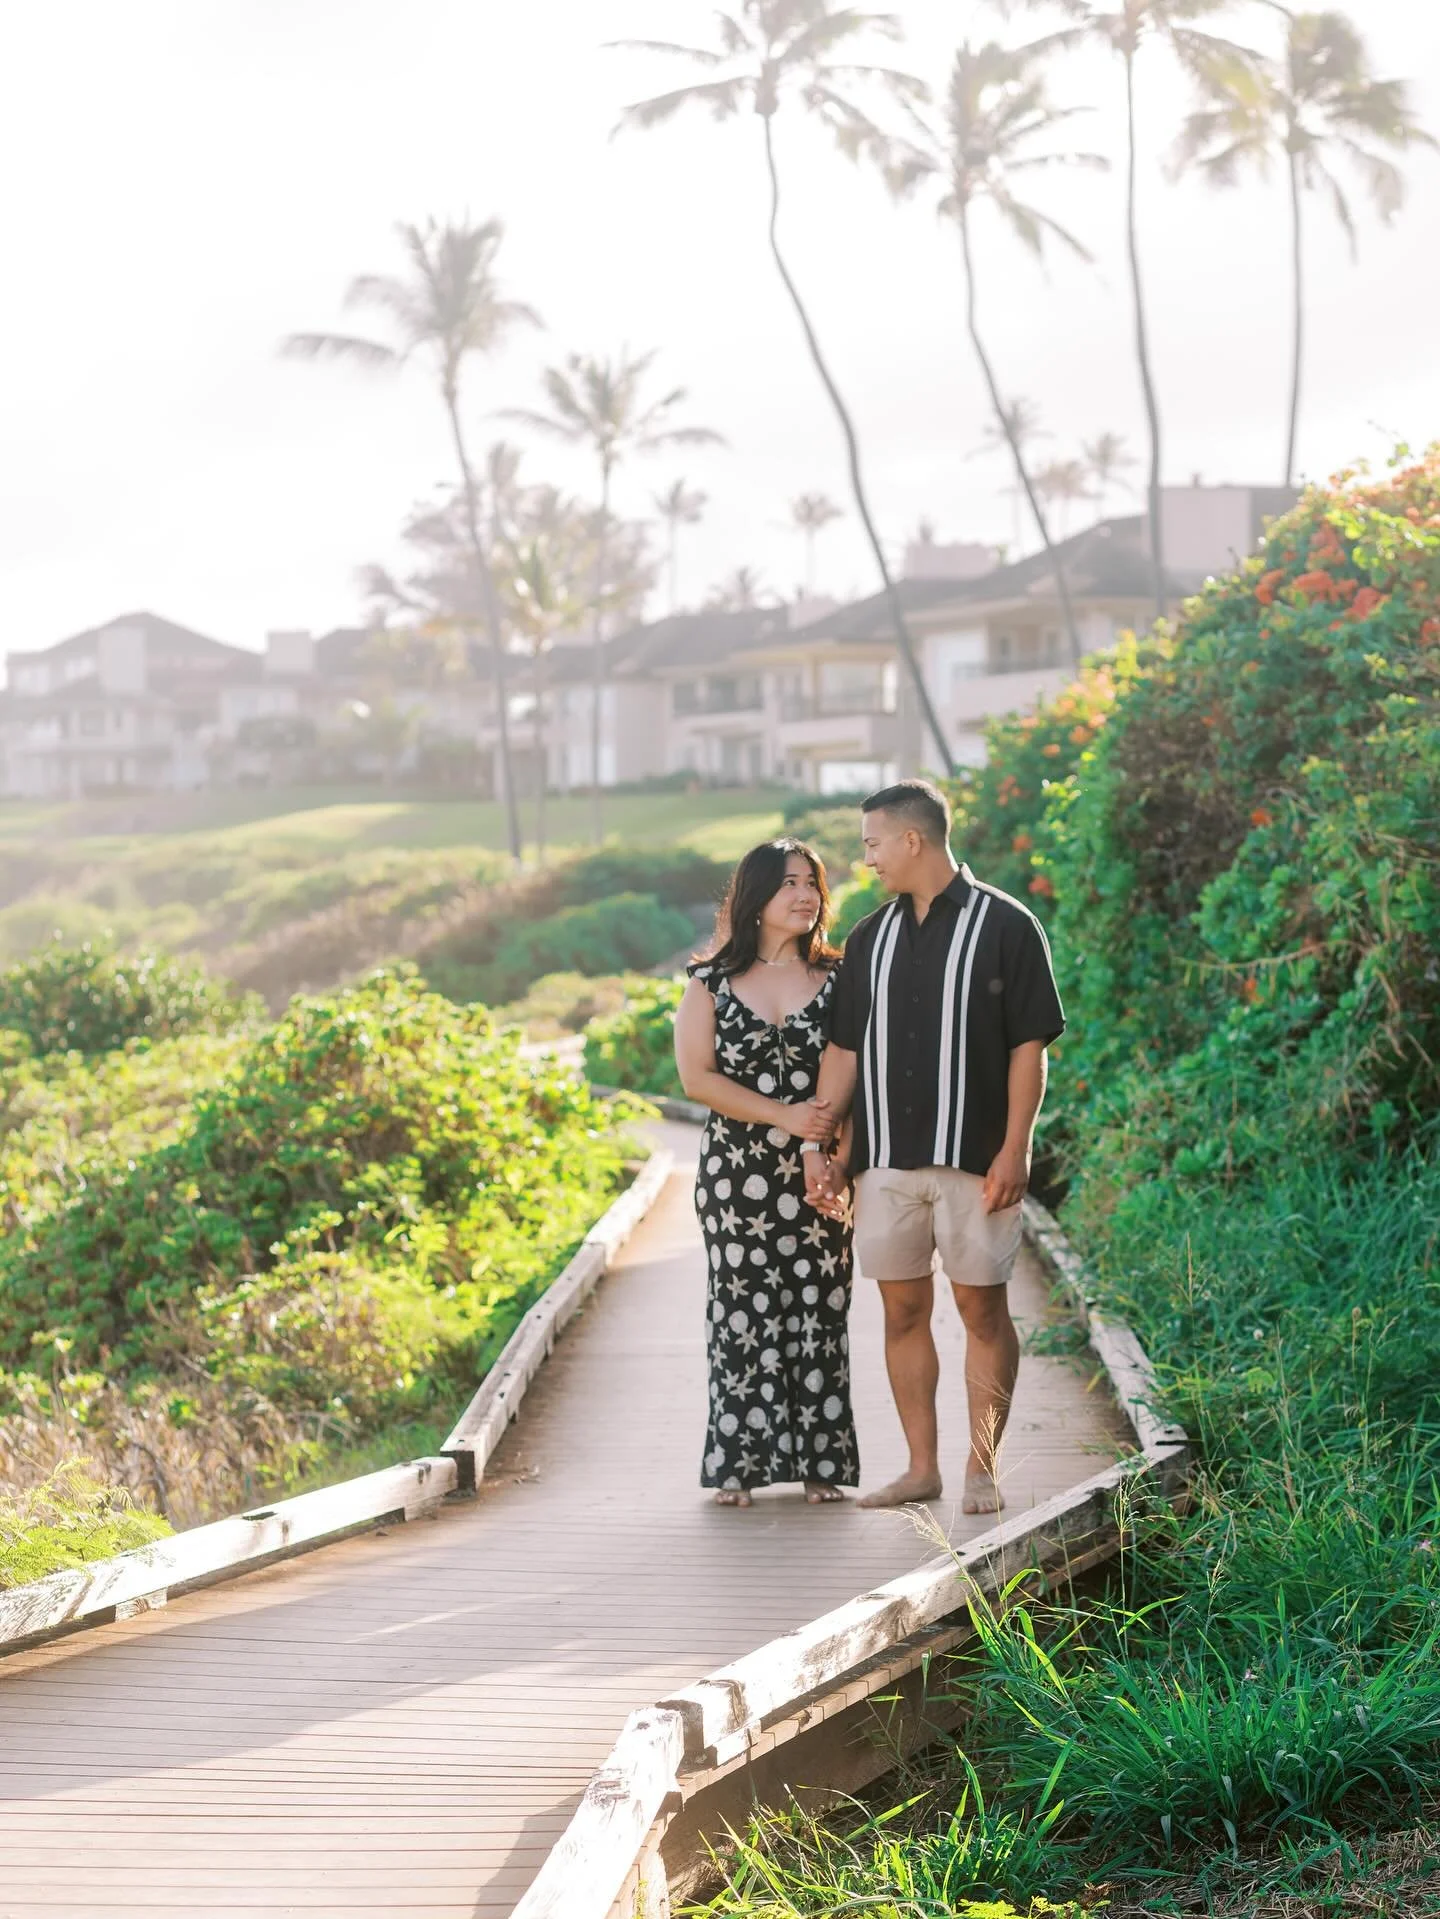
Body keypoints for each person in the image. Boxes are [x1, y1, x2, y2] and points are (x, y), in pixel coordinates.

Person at [805, 780, 1065, 1515]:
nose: (868, 859)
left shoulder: (1009, 925)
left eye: (873, 843)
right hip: (885, 1162)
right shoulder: (867, 937)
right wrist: (824, 1146)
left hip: (975, 1161)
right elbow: (845, 1050)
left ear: (913, 840)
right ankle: (922, 1468)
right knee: (901, 1313)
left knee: (984, 1313)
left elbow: (1029, 1048)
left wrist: (1016, 1147)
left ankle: (982, 1468)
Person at [674, 839, 859, 1509]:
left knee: (821, 1305)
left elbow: (851, 1073)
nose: (805, 895)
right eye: (789, 884)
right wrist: (783, 1115)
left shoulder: (839, 977)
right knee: (741, 1310)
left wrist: (838, 1154)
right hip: (736, 1175)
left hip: (822, 1168)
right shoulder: (709, 982)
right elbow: (697, 1078)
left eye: (812, 882)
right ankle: (738, 1463)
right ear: (757, 895)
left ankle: (820, 1462)